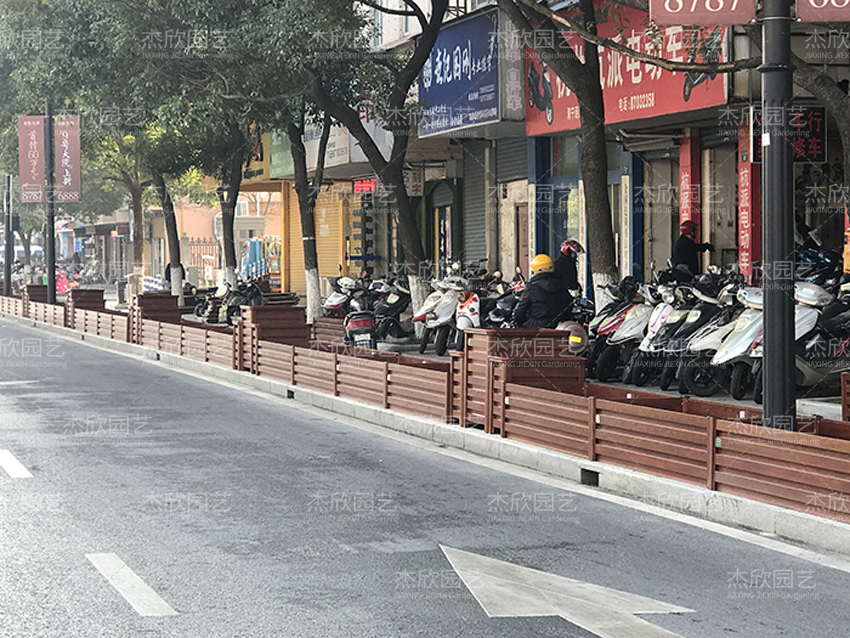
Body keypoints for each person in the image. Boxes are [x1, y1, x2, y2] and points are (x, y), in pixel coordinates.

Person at [512, 254, 573, 329]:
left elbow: (520, 311)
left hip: (535, 329)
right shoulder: (562, 286)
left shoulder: (532, 288)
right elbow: (568, 308)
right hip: (558, 329)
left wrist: (518, 323)